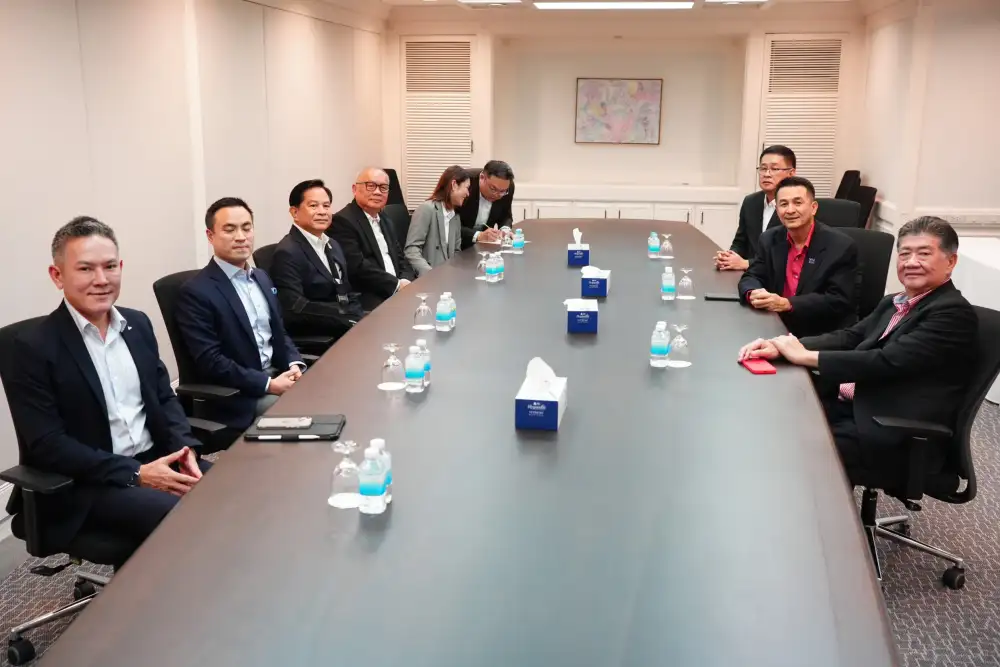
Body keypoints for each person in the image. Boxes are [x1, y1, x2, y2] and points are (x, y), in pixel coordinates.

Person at [4, 217, 210, 561]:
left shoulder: (137, 324)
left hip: (156, 459)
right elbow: (48, 445)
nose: (101, 279)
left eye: (110, 266)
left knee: (230, 491)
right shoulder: (32, 347)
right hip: (87, 484)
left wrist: (184, 448)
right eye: (85, 269)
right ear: (58, 276)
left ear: (121, 268)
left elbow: (164, 398)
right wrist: (136, 474)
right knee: (186, 520)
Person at [738, 217, 978, 484]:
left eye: (923, 254)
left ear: (950, 262)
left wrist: (806, 357)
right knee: (771, 418)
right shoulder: (894, 302)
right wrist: (783, 346)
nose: (911, 262)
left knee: (791, 449)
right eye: (904, 254)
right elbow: (850, 336)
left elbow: (887, 361)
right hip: (857, 405)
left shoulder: (952, 313)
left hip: (894, 427)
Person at [175, 197, 305, 432]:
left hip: (277, 375)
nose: (241, 237)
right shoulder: (196, 291)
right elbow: (211, 362)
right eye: (229, 229)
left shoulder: (261, 277)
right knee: (304, 411)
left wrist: (293, 363)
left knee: (330, 390)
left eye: (246, 228)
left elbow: (279, 333)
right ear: (210, 236)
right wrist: (268, 384)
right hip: (237, 395)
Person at [737, 176, 858, 338]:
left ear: (813, 208)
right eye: (783, 204)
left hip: (819, 333)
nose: (790, 210)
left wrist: (787, 304)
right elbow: (752, 275)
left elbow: (838, 300)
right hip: (775, 325)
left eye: (797, 203)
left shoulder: (841, 246)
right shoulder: (769, 239)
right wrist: (753, 293)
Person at [270, 179, 364, 343]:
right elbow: (294, 308)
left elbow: (345, 290)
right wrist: (346, 318)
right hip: (321, 333)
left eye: (326, 206)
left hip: (346, 323)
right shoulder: (287, 252)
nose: (322, 212)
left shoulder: (332, 244)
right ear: (294, 212)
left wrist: (358, 315)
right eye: (313, 206)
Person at [329, 168, 416, 311]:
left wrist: (406, 280)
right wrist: (396, 285)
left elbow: (400, 257)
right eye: (370, 186)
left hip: (397, 288)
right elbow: (357, 267)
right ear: (354, 189)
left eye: (383, 187)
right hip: (370, 293)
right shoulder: (342, 221)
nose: (377, 192)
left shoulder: (385, 219)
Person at [715, 145, 796, 271]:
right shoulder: (751, 202)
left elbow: (790, 254)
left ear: (791, 173)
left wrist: (746, 263)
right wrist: (728, 257)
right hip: (749, 275)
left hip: (779, 277)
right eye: (763, 168)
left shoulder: (795, 208)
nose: (767, 174)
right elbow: (740, 242)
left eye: (774, 169)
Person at [404, 165, 471, 276]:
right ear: (454, 185)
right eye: (467, 187)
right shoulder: (426, 209)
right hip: (429, 278)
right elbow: (411, 250)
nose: (468, 194)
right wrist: (430, 274)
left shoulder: (455, 217)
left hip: (448, 277)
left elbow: (456, 252)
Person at [456, 160, 514, 249]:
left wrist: (505, 230)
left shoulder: (507, 187)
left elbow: (506, 215)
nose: (497, 195)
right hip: (458, 243)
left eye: (502, 191)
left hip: (484, 246)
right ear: (482, 178)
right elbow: (450, 223)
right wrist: (479, 235)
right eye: (493, 189)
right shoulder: (464, 182)